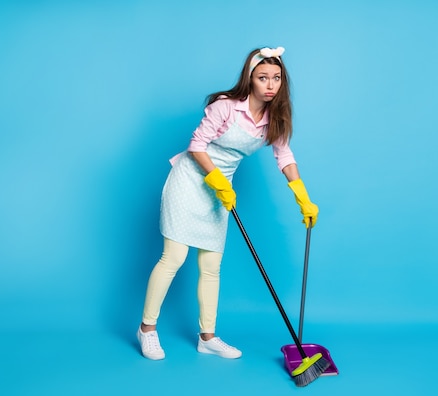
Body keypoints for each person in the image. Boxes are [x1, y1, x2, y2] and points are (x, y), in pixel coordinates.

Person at [136, 46, 319, 360]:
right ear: (251, 79)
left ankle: (207, 337)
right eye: (263, 78)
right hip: (192, 180)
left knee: (211, 265)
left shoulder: (275, 117)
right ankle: (146, 330)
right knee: (174, 257)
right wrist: (217, 180)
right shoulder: (226, 107)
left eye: (276, 78)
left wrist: (302, 196)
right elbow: (196, 145)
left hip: (222, 191)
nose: (271, 84)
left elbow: (284, 157)